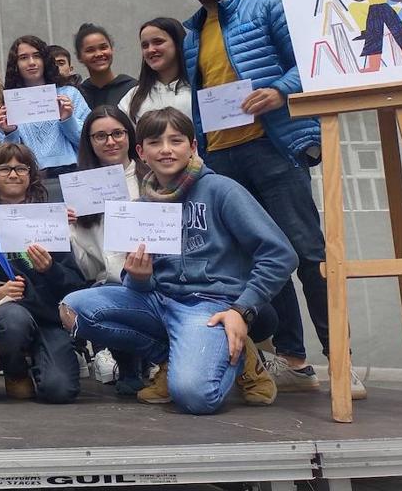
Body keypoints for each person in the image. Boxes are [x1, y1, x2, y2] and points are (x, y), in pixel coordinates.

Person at [178, 0, 358, 397]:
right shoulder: (192, 35)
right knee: (261, 257)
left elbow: (311, 60)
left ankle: (341, 362)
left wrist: (279, 91)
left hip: (271, 147)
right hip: (222, 159)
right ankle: (294, 359)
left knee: (309, 254)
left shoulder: (266, 10)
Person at [60, 108, 293, 414]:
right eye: (156, 142)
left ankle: (235, 355)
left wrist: (242, 309)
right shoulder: (141, 205)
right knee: (73, 309)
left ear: (193, 146)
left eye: (176, 140)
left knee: (195, 397)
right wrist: (140, 277)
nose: (167, 149)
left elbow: (279, 254)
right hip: (160, 301)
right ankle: (171, 356)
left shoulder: (221, 190)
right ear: (141, 152)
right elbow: (138, 284)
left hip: (210, 307)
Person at [0, 142, 85, 403]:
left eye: (21, 168)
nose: (14, 174)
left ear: (31, 176)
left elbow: (76, 284)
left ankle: (54, 357)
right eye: (4, 169)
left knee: (59, 391)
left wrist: (51, 270)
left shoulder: (51, 220)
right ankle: (15, 370)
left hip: (51, 316)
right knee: (12, 321)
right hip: (12, 312)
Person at [69, 105, 143, 394]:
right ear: (89, 142)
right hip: (113, 286)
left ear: (129, 134)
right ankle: (126, 360)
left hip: (160, 279)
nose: (110, 142)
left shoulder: (153, 174)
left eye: (117, 133)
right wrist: (71, 229)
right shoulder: (84, 189)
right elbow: (88, 268)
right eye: (100, 136)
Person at [0, 35, 90, 201]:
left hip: (72, 173)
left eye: (37, 56)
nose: (31, 62)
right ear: (16, 65)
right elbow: (6, 157)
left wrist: (68, 120)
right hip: (32, 179)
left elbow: (90, 142)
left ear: (45, 60)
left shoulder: (69, 94)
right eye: (23, 58)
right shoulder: (11, 103)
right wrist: (10, 132)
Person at [117, 18, 191, 123]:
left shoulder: (199, 90)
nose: (151, 50)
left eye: (158, 42)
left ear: (177, 43)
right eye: (145, 45)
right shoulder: (131, 98)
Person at [330, 0, 402, 72]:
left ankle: (374, 67)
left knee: (397, 34)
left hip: (378, 10)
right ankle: (374, 67)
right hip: (382, 10)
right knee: (381, 36)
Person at [75, 23, 137, 110]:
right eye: (90, 50)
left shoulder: (133, 88)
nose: (99, 54)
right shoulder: (78, 96)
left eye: (103, 47)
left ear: (111, 49)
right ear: (79, 57)